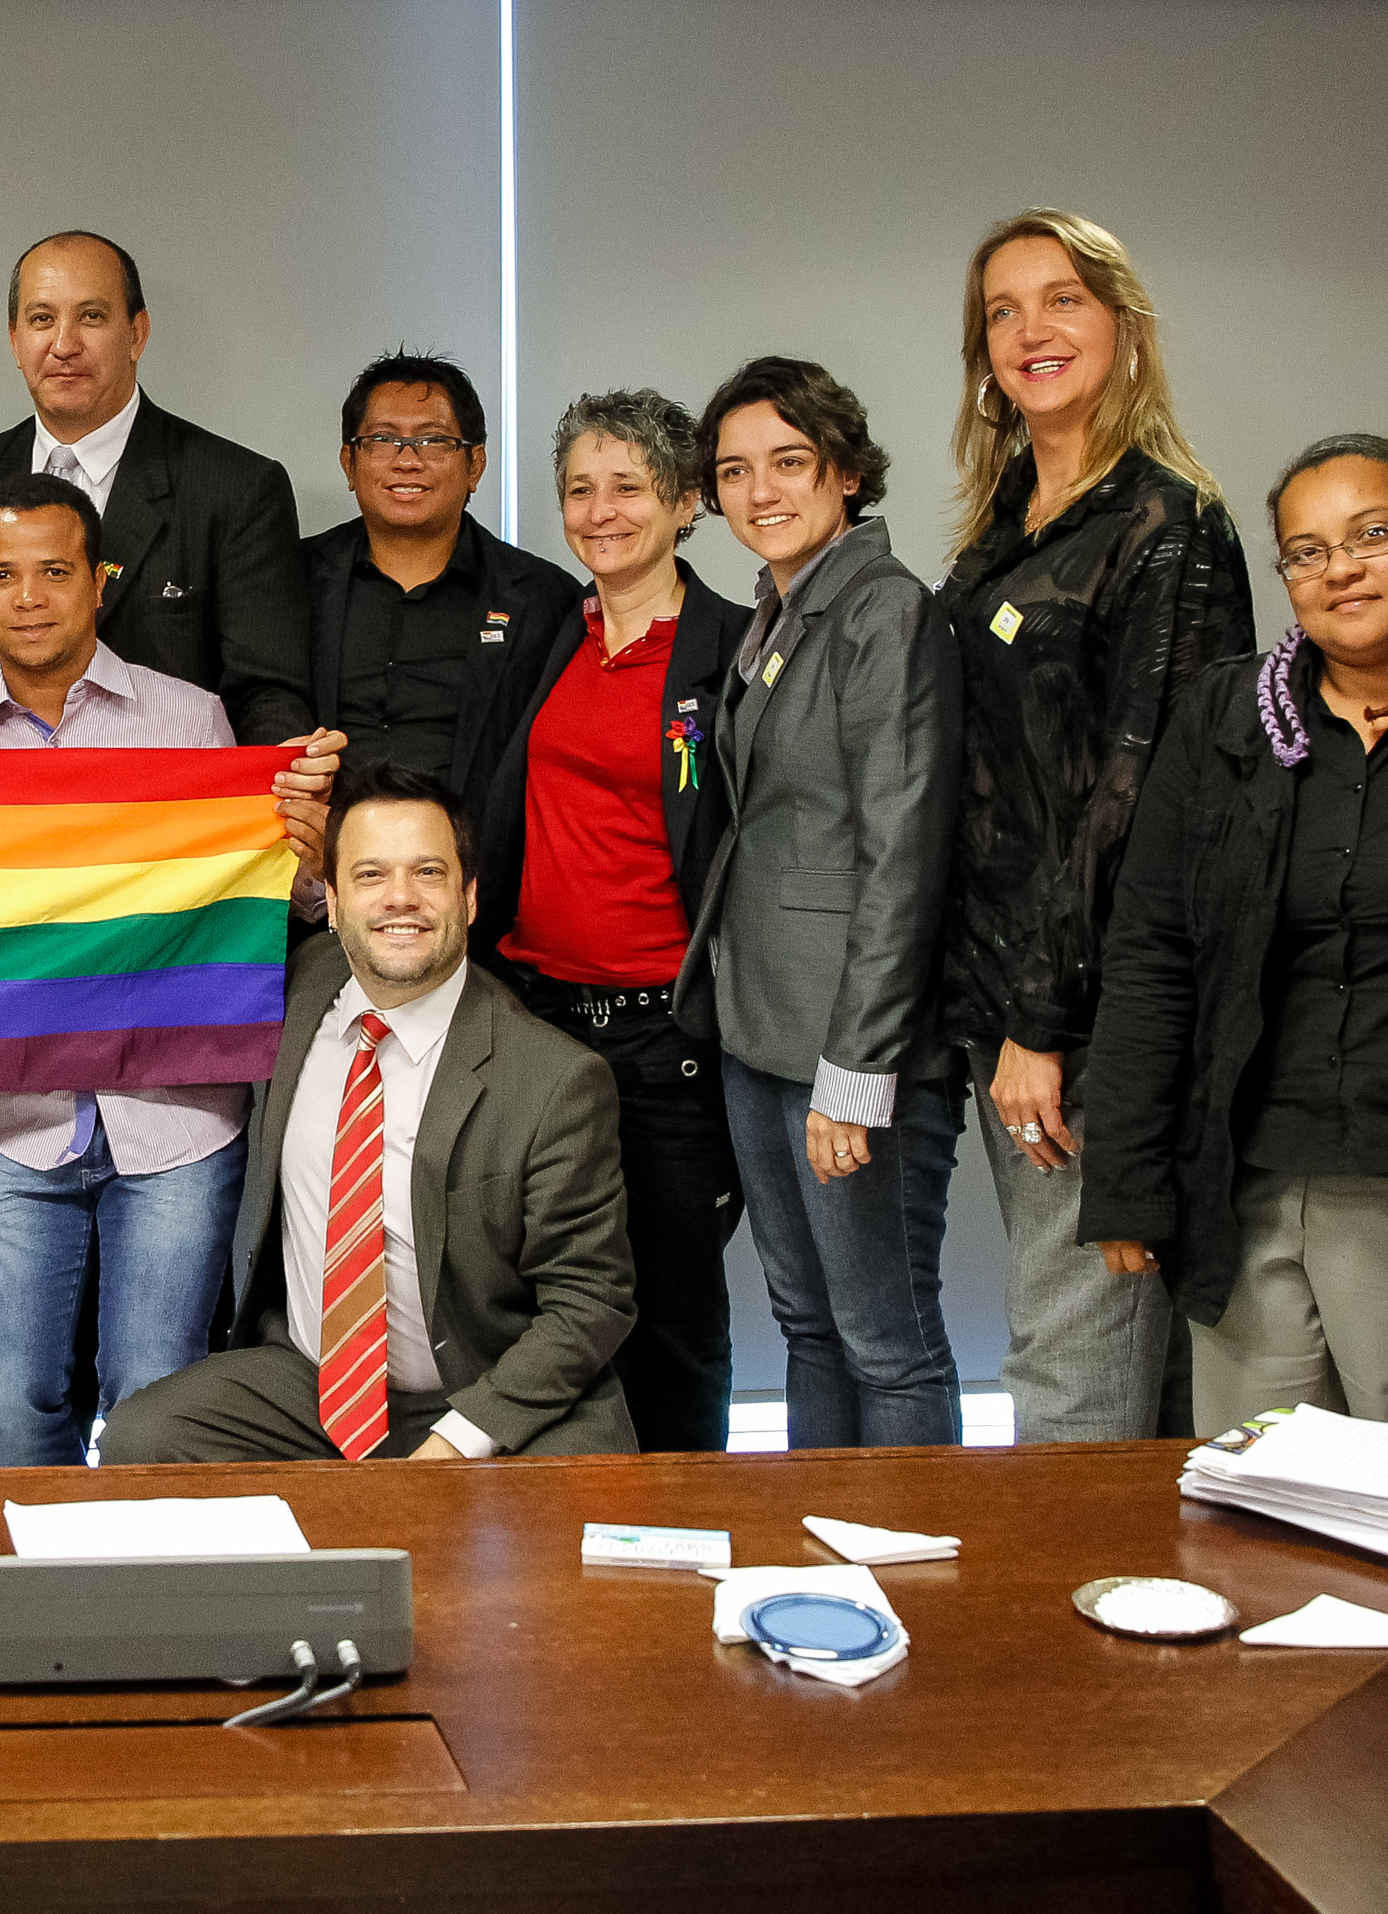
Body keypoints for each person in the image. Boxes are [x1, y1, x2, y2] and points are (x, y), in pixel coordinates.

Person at [1087, 438, 1388, 1436]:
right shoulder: (1227, 715)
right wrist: (1127, 1179)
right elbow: (1151, 950)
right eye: (1305, 552)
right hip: (1243, 1178)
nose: (1339, 569)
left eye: (1372, 534)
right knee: (1249, 1486)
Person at [0, 474, 341, 1467]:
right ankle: (34, 1564)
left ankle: (143, 1569)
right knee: (6, 1400)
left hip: (177, 1122)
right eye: (2, 575)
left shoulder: (191, 721)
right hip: (16, 1124)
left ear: (99, 580)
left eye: (54, 571)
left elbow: (260, 902)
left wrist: (311, 861)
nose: (28, 598)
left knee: (153, 1402)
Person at [931, 210, 1254, 1444]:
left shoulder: (1166, 522)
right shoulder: (1006, 520)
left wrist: (1043, 1019)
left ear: (1120, 323)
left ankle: (1072, 1567)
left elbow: (1142, 789)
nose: (1030, 330)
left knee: (1070, 1358)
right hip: (998, 991)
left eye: (1060, 298)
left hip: (1089, 1007)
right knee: (1112, 1345)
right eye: (1001, 312)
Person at [101, 762, 638, 1463]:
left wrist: (455, 1444)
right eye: (371, 875)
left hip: (486, 1389)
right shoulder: (297, 989)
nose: (400, 898)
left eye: (428, 873)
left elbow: (590, 1302)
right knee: (143, 1441)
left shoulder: (556, 1079)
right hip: (309, 1388)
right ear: (332, 899)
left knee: (554, 1521)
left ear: (470, 897)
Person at [678, 359, 963, 1450]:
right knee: (807, 1326)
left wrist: (856, 1069)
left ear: (844, 470)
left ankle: (910, 1551)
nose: (760, 491)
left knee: (886, 1341)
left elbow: (903, 852)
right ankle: (824, 1538)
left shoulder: (882, 609)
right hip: (762, 1031)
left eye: (788, 462)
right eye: (734, 470)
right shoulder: (783, 608)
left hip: (849, 1047)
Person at [467, 390, 746, 1453]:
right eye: (580, 490)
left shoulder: (732, 649)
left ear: (684, 502)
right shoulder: (547, 632)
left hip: (665, 1037)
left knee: (670, 1312)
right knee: (539, 1300)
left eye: (628, 487)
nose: (600, 511)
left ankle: (680, 1521)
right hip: (535, 1023)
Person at [0, 232, 312, 742]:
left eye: (91, 316)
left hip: (171, 784)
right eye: (42, 319)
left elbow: (267, 695)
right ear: (15, 340)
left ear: (136, 334)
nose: (64, 345)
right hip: (2, 786)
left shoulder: (237, 488)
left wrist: (271, 777)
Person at [308, 352, 579, 798]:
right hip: (321, 839)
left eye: (433, 440)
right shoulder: (293, 580)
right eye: (382, 439)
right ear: (349, 463)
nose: (407, 461)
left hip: (474, 842)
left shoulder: (544, 600)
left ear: (475, 465)